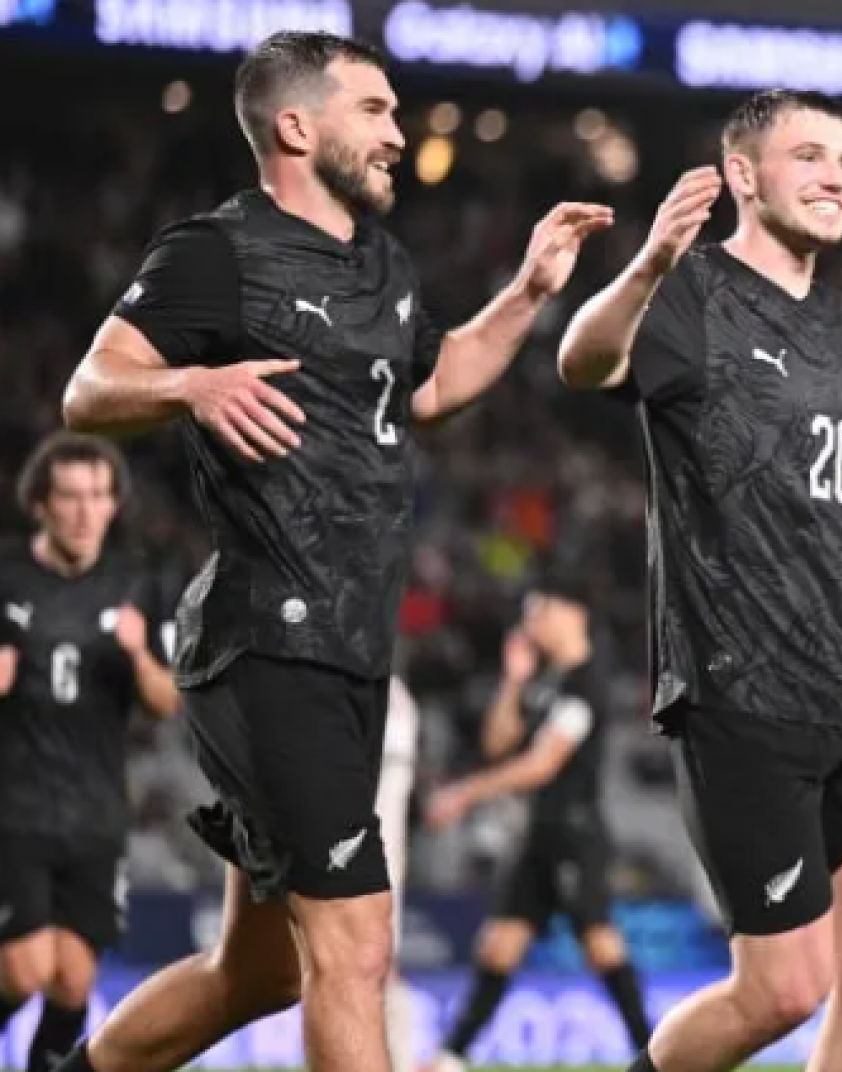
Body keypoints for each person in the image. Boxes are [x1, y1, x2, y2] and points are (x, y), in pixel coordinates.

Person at [54, 30, 610, 1072]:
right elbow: (90, 388)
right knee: (355, 945)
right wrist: (190, 384)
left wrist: (531, 292)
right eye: (376, 110)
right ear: (296, 127)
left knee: (259, 971)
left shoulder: (381, 262)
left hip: (352, 649)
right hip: (269, 639)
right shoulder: (216, 251)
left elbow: (433, 387)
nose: (398, 133)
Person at [559, 88, 842, 1072]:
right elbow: (583, 361)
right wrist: (648, 263)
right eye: (809, 156)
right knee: (781, 989)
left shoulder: (840, 320)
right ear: (743, 174)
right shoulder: (692, 291)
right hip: (742, 689)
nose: (835, 177)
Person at [0, 433, 179, 1072]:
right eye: (71, 497)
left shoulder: (137, 583)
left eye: (98, 496)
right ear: (40, 505)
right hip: (15, 808)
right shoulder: (6, 576)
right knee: (25, 971)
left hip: (96, 813)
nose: (85, 512)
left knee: (72, 983)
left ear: (113, 504)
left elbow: (166, 702)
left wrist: (138, 656)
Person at [422, 575, 652, 1069]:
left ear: (571, 613)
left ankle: (653, 1052)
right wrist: (513, 678)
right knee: (499, 945)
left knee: (599, 943)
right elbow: (497, 744)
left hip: (575, 833)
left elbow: (541, 765)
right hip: (536, 834)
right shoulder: (545, 682)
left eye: (539, 611)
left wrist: (465, 792)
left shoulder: (587, 682)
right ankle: (452, 1057)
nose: (530, 624)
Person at [380, 673, 422, 1072]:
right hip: (362, 851)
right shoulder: (395, 695)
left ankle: (402, 1062)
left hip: (374, 855)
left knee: (378, 964)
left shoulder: (392, 696)